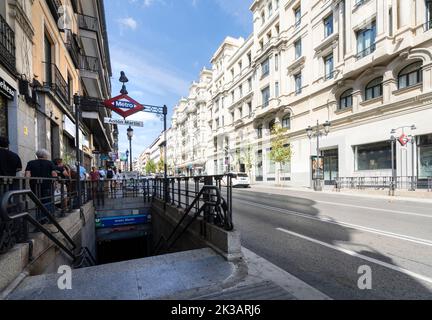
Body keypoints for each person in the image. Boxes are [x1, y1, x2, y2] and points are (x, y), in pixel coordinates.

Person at [25, 149, 57, 219]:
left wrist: (27, 185)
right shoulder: (50, 163)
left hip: (34, 185)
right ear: (45, 155)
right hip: (47, 186)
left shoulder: (30, 163)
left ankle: (39, 219)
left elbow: (27, 174)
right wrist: (55, 184)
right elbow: (54, 174)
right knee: (47, 201)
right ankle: (45, 219)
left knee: (38, 202)